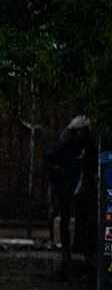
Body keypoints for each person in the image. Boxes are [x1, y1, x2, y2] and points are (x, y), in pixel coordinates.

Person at [46, 115, 91, 278]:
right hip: (66, 187)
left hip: (69, 186)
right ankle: (68, 252)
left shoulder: (74, 144)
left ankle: (70, 252)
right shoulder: (68, 145)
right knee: (66, 218)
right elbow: (52, 160)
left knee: (70, 218)